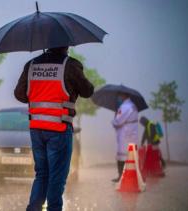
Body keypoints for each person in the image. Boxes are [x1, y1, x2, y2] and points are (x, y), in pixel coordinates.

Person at [14, 46, 94, 211]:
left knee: (42, 174)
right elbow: (88, 91)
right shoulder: (70, 65)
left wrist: (39, 93)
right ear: (66, 46)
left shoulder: (31, 65)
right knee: (57, 178)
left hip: (36, 130)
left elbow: (19, 94)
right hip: (59, 129)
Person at [111, 93, 139, 182]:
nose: (119, 97)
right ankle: (131, 176)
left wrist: (113, 121)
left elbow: (118, 121)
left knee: (121, 155)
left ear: (124, 96)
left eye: (120, 96)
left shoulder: (124, 106)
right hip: (132, 132)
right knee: (131, 155)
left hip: (124, 133)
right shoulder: (133, 105)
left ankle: (121, 176)